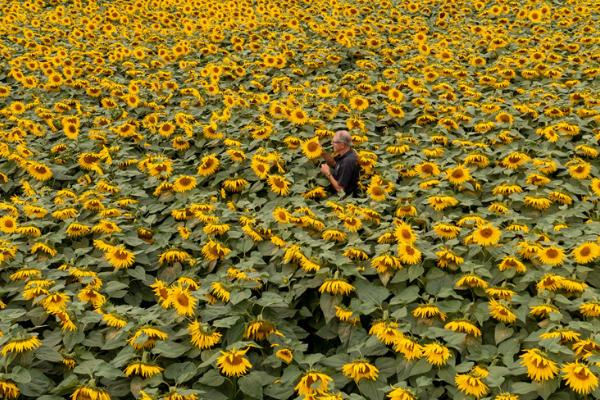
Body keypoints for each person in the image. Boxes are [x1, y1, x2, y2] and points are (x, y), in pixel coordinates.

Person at [320, 130, 360, 198]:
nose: (332, 143)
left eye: (334, 142)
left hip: (346, 201)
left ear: (342, 145)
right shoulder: (348, 154)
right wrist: (322, 152)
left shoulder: (348, 161)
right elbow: (337, 166)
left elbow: (340, 189)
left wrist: (328, 173)